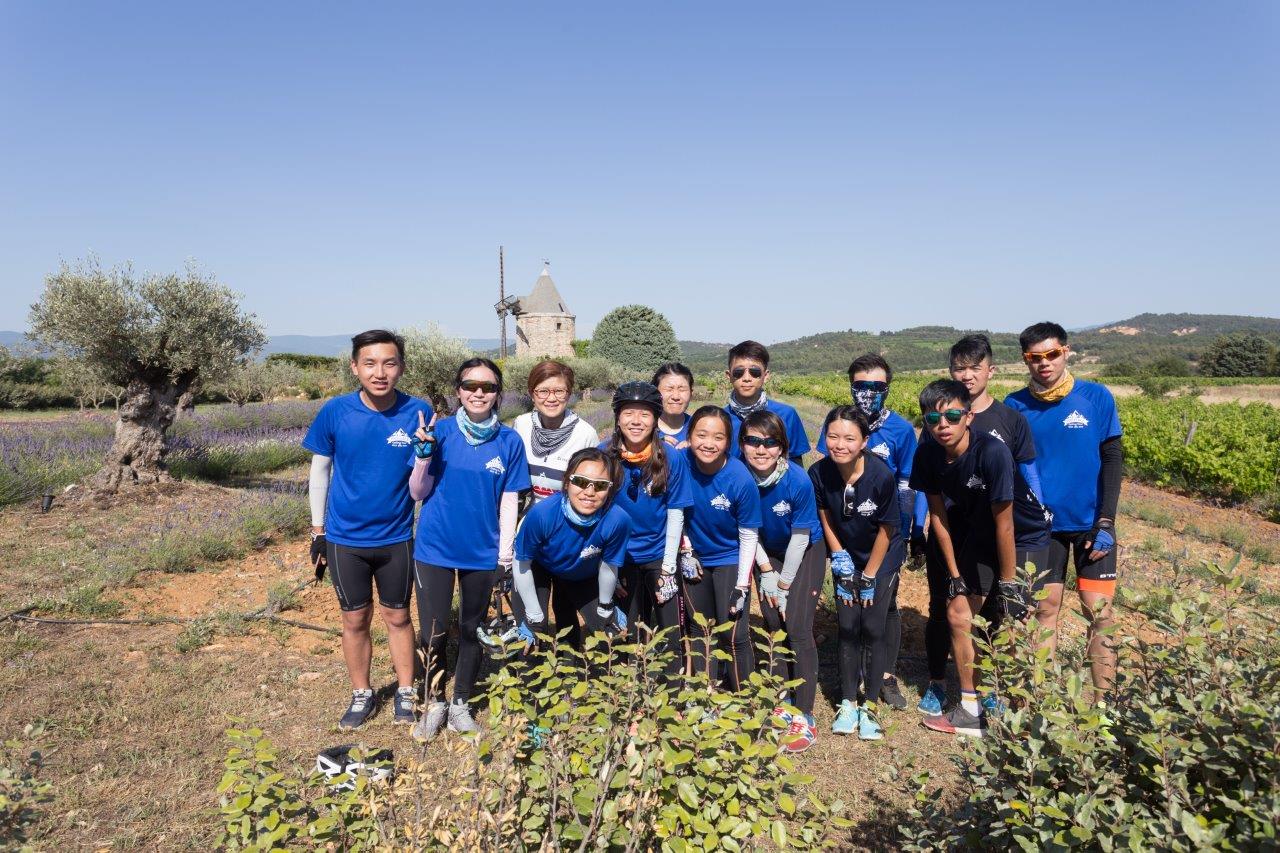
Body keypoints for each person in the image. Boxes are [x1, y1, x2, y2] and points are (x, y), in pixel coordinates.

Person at [302, 330, 431, 730]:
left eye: (389, 363)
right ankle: (362, 693)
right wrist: (318, 531)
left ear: (401, 368)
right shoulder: (335, 411)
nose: (380, 372)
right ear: (355, 367)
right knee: (354, 620)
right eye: (370, 363)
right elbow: (320, 471)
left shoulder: (418, 411)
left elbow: (424, 478)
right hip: (345, 541)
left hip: (397, 538)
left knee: (398, 616)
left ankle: (406, 692)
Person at [910, 380, 1052, 738]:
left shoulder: (992, 452)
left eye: (953, 416)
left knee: (1015, 622)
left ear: (969, 416)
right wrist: (955, 575)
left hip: (1024, 535)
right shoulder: (927, 454)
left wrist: (1008, 584)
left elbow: (1007, 525)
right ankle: (971, 709)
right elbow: (938, 518)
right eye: (933, 419)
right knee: (959, 614)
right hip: (981, 531)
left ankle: (1029, 713)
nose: (943, 425)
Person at [408, 358, 531, 741]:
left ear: (498, 394)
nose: (479, 392)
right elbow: (417, 492)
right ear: (458, 391)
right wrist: (423, 456)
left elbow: (510, 502)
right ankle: (434, 703)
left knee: (472, 628)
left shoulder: (509, 441)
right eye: (470, 385)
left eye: (488, 387)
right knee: (433, 631)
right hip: (435, 549)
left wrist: (504, 557)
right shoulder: (440, 432)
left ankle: (460, 704)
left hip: (482, 552)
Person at [1005, 321, 1122, 705]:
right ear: (1026, 360)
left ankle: (1106, 708)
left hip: (1092, 525)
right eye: (1034, 357)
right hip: (1041, 529)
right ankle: (1040, 702)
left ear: (1066, 352)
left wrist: (1106, 521)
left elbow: (1112, 459)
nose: (1044, 363)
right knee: (1044, 610)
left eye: (1052, 354)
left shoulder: (1096, 397)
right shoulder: (1015, 405)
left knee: (1100, 614)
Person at [815, 353, 925, 710]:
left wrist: (907, 530)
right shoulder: (839, 424)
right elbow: (827, 476)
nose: (868, 393)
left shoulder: (901, 430)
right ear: (851, 386)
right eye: (861, 386)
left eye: (877, 386)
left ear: (888, 388)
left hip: (886, 532)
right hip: (847, 531)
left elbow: (908, 483)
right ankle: (854, 675)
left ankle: (885, 676)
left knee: (885, 605)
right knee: (851, 605)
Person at [810, 406, 905, 740]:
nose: (840, 444)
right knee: (848, 625)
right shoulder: (819, 473)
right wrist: (839, 556)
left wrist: (869, 575)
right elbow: (824, 515)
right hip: (847, 554)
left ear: (864, 441)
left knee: (873, 626)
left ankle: (871, 706)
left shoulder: (880, 476)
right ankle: (849, 702)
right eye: (833, 436)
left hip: (882, 555)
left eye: (849, 438)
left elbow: (888, 529)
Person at [739, 410, 824, 753]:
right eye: (752, 441)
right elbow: (747, 529)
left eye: (770, 442)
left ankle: (805, 713)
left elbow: (801, 538)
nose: (761, 449)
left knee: (798, 626)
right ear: (741, 444)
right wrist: (766, 571)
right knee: (774, 623)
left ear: (783, 447)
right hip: (766, 550)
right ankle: (782, 697)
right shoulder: (739, 476)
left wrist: (785, 583)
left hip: (804, 549)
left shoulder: (797, 480)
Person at [601, 381, 692, 679]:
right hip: (621, 556)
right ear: (617, 417)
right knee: (627, 628)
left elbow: (676, 512)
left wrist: (668, 567)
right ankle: (629, 689)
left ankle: (673, 691)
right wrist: (608, 564)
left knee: (669, 629)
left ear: (655, 419)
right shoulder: (604, 455)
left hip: (659, 554)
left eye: (645, 414)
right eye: (628, 413)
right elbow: (597, 512)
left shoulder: (670, 457)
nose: (636, 421)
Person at [512, 448, 631, 650]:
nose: (590, 492)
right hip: (538, 567)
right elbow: (521, 563)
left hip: (582, 572)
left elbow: (608, 566)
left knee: (610, 635)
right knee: (533, 635)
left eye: (600, 485)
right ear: (567, 482)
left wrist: (606, 606)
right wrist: (533, 614)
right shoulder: (542, 515)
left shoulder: (618, 520)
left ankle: (576, 665)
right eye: (581, 481)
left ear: (610, 489)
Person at [683, 405, 762, 690]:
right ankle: (706, 692)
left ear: (729, 442)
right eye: (701, 434)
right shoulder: (680, 464)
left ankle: (743, 697)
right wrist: (686, 549)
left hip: (730, 557)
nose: (709, 443)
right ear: (689, 437)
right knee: (699, 627)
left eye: (718, 437)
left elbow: (749, 535)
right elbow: (674, 512)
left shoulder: (740, 479)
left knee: (734, 633)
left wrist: (742, 584)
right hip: (695, 556)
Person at [512, 360, 601, 505]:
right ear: (532, 394)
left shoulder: (585, 435)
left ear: (569, 394)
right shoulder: (521, 425)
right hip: (530, 516)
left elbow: (593, 490)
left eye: (559, 391)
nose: (552, 398)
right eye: (543, 391)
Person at [723, 340, 810, 465]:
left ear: (766, 375)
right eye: (738, 372)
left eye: (755, 372)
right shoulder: (721, 419)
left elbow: (795, 462)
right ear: (729, 375)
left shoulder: (787, 415)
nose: (747, 378)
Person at [653, 362, 695, 449]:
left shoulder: (698, 429)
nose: (676, 397)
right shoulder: (642, 429)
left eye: (682, 389)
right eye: (669, 389)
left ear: (691, 393)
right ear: (655, 392)